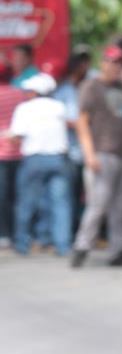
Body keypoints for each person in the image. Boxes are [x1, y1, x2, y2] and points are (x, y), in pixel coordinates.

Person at [70, 45, 122, 268]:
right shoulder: (91, 86)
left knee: (120, 207)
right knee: (98, 203)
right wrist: (89, 154)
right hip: (103, 152)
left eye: (120, 63)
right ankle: (82, 246)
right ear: (103, 63)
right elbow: (81, 122)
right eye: (113, 62)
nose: (116, 67)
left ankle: (118, 250)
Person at [6, 73, 70, 256]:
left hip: (34, 159)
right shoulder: (59, 107)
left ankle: (22, 243)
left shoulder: (25, 109)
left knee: (26, 203)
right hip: (58, 158)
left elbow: (17, 135)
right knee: (60, 204)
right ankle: (62, 245)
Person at [52, 48, 92, 236]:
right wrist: (78, 124)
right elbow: (58, 119)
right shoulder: (64, 92)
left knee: (88, 196)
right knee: (69, 194)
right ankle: (70, 232)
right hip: (70, 151)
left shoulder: (90, 88)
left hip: (89, 151)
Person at [0, 80, 31, 249]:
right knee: (19, 197)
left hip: (2, 155)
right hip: (20, 152)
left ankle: (4, 233)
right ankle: (19, 234)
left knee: (3, 197)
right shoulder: (19, 94)